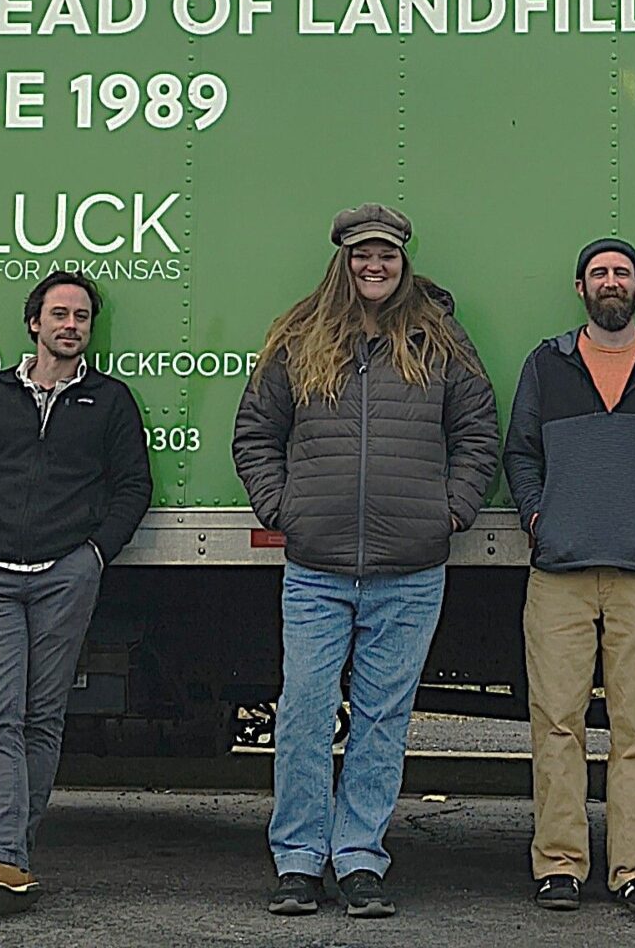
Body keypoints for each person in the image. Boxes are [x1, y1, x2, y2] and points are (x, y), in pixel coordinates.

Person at [232, 204, 502, 919]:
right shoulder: (300, 338)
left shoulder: (441, 341)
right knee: (305, 716)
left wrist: (452, 510)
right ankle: (297, 859)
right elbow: (256, 432)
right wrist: (281, 507)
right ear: (343, 262)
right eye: (361, 254)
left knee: (383, 720)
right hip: (317, 566)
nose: (373, 266)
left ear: (403, 260)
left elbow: (479, 432)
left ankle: (358, 858)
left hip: (410, 569)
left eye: (385, 254)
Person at [0, 271, 152, 919]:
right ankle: (5, 854)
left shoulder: (110, 401)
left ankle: (9, 857)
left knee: (41, 718)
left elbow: (132, 487)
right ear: (35, 324)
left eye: (81, 317)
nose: (70, 325)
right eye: (59, 314)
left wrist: (92, 557)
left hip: (65, 575)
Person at [503, 237, 635, 914]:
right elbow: (520, 453)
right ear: (581, 288)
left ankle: (634, 873)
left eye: (621, 273)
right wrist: (538, 520)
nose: (610, 282)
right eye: (599, 274)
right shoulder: (547, 364)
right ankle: (558, 866)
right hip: (558, 572)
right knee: (555, 726)